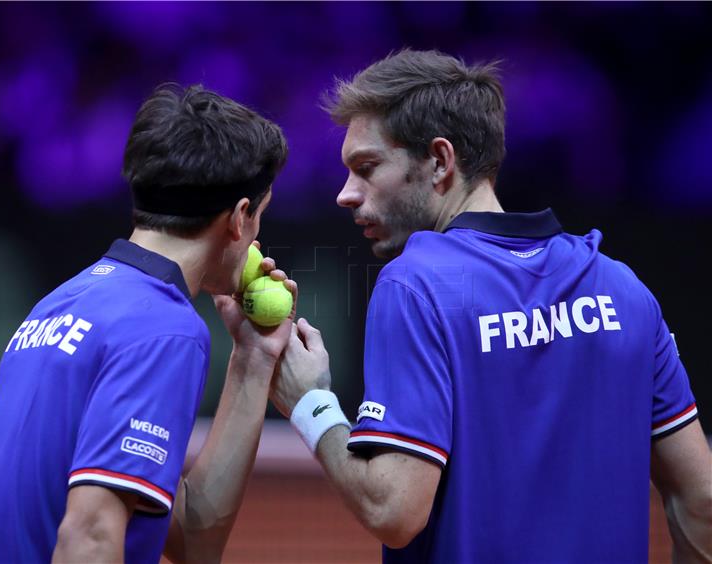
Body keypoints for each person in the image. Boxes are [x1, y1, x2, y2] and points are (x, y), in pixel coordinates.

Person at [270, 50, 711, 563]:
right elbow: (699, 499)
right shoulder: (622, 287)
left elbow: (395, 511)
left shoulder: (417, 284)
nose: (346, 194)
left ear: (439, 161)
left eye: (366, 168)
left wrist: (311, 403)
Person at [0, 84, 296, 564]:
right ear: (240, 218)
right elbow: (90, 535)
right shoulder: (164, 329)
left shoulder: (61, 303)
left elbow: (192, 539)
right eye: (261, 213)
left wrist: (253, 358)